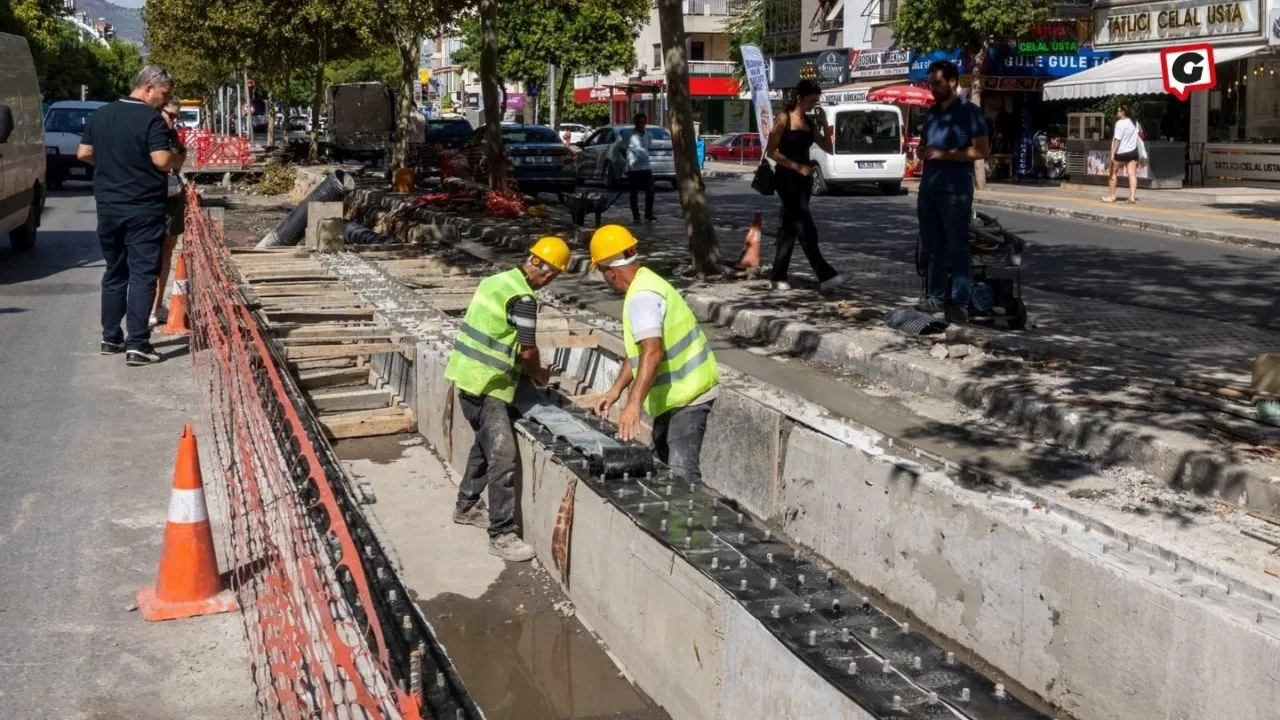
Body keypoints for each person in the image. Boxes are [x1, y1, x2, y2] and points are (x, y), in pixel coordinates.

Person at [445, 236, 571, 562]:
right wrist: (539, 374)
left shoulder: (495, 281)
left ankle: (466, 505)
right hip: (490, 385)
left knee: (484, 444)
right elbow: (528, 350)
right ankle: (501, 533)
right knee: (502, 456)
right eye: (553, 275)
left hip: (467, 377)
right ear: (549, 273)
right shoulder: (524, 299)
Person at [591, 225, 719, 485]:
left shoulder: (642, 297)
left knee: (682, 473)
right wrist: (616, 390)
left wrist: (633, 404)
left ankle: (685, 521)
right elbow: (640, 351)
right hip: (675, 395)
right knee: (659, 461)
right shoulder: (647, 281)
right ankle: (672, 518)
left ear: (611, 272)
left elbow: (652, 352)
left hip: (688, 395)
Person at [77, 65, 180, 365]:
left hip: (108, 207)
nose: (164, 101)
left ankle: (110, 338)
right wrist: (178, 158)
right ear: (148, 87)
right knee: (143, 275)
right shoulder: (151, 119)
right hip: (143, 207)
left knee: (114, 271)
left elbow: (83, 153)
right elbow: (161, 160)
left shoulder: (102, 114)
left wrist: (111, 165)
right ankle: (138, 344)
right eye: (163, 94)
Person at [915, 59, 989, 325]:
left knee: (957, 247)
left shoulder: (970, 113)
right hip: (930, 188)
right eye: (929, 83)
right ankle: (935, 297)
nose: (932, 88)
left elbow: (981, 150)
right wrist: (922, 151)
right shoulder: (932, 114)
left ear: (953, 82)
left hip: (955, 190)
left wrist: (945, 154)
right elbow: (925, 145)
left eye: (936, 83)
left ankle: (959, 302)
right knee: (932, 247)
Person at [764, 79, 845, 292]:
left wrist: (824, 123)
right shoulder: (783, 119)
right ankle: (825, 275)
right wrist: (795, 166)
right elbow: (771, 151)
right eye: (810, 101)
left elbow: (828, 147)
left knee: (790, 228)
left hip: (804, 180)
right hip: (787, 178)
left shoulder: (809, 123)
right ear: (799, 98)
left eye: (816, 102)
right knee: (805, 225)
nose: (812, 105)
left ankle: (778, 275)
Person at [151, 100, 187, 328]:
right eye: (170, 115)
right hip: (149, 200)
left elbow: (178, 162)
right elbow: (166, 163)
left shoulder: (172, 136)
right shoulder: (147, 131)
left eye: (176, 117)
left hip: (170, 199)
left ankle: (155, 306)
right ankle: (145, 306)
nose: (173, 121)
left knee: (166, 253)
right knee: (147, 255)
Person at [1103, 105, 1140, 204]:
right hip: (1133, 152)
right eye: (1117, 110)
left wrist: (1113, 153)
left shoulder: (1120, 123)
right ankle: (1132, 197)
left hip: (1121, 152)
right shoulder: (1135, 122)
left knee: (1112, 174)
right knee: (1132, 174)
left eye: (1119, 111)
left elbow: (1117, 139)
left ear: (1124, 112)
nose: (1117, 113)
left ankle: (1111, 196)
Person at [625, 112, 656, 224]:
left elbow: (649, 146)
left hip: (646, 167)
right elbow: (638, 150)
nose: (642, 125)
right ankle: (636, 216)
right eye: (640, 123)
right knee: (634, 193)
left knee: (651, 191)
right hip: (634, 168)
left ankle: (648, 213)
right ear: (636, 123)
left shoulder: (647, 134)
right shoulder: (631, 136)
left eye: (644, 122)